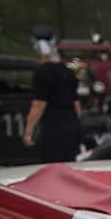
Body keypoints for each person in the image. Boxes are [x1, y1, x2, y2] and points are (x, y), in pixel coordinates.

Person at [23, 35, 84, 163]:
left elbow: (39, 105)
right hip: (72, 127)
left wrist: (29, 131)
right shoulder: (69, 72)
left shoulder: (42, 73)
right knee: (70, 165)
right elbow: (76, 105)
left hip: (54, 129)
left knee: (52, 166)